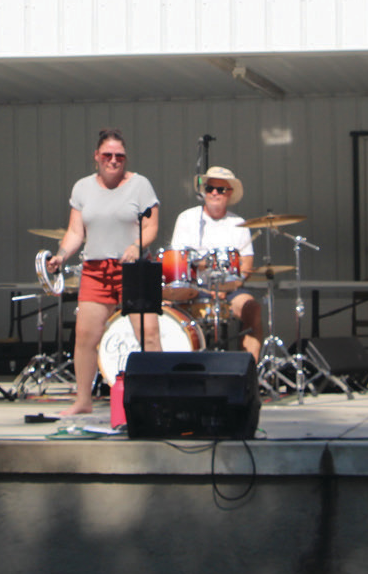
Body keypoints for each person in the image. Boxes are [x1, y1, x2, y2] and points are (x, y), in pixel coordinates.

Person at [46, 128, 160, 416]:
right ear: (96, 157)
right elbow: (75, 230)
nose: (113, 160)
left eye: (119, 156)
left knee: (148, 335)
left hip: (134, 268)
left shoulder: (140, 185)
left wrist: (137, 245)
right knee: (85, 337)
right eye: (107, 155)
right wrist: (61, 255)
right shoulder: (82, 188)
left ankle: (159, 394)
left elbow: (151, 226)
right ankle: (83, 400)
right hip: (96, 269)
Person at [168, 166, 263, 359]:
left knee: (252, 309)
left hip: (230, 290)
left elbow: (246, 267)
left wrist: (226, 288)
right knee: (163, 306)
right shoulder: (187, 218)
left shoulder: (240, 224)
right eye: (210, 188)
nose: (214, 193)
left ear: (229, 194)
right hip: (193, 287)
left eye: (220, 189)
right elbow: (177, 261)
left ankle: (250, 371)